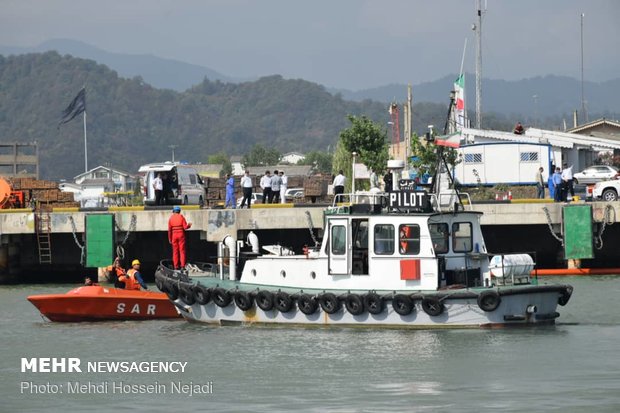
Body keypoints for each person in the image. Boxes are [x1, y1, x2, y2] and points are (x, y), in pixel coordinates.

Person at [168, 205, 192, 270]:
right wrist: (189, 225)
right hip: (181, 234)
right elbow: (185, 227)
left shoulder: (171, 218)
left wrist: (170, 239)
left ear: (173, 211)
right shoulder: (181, 217)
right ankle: (182, 266)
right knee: (182, 251)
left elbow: (169, 230)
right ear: (179, 211)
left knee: (175, 251)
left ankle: (176, 266)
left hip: (174, 235)